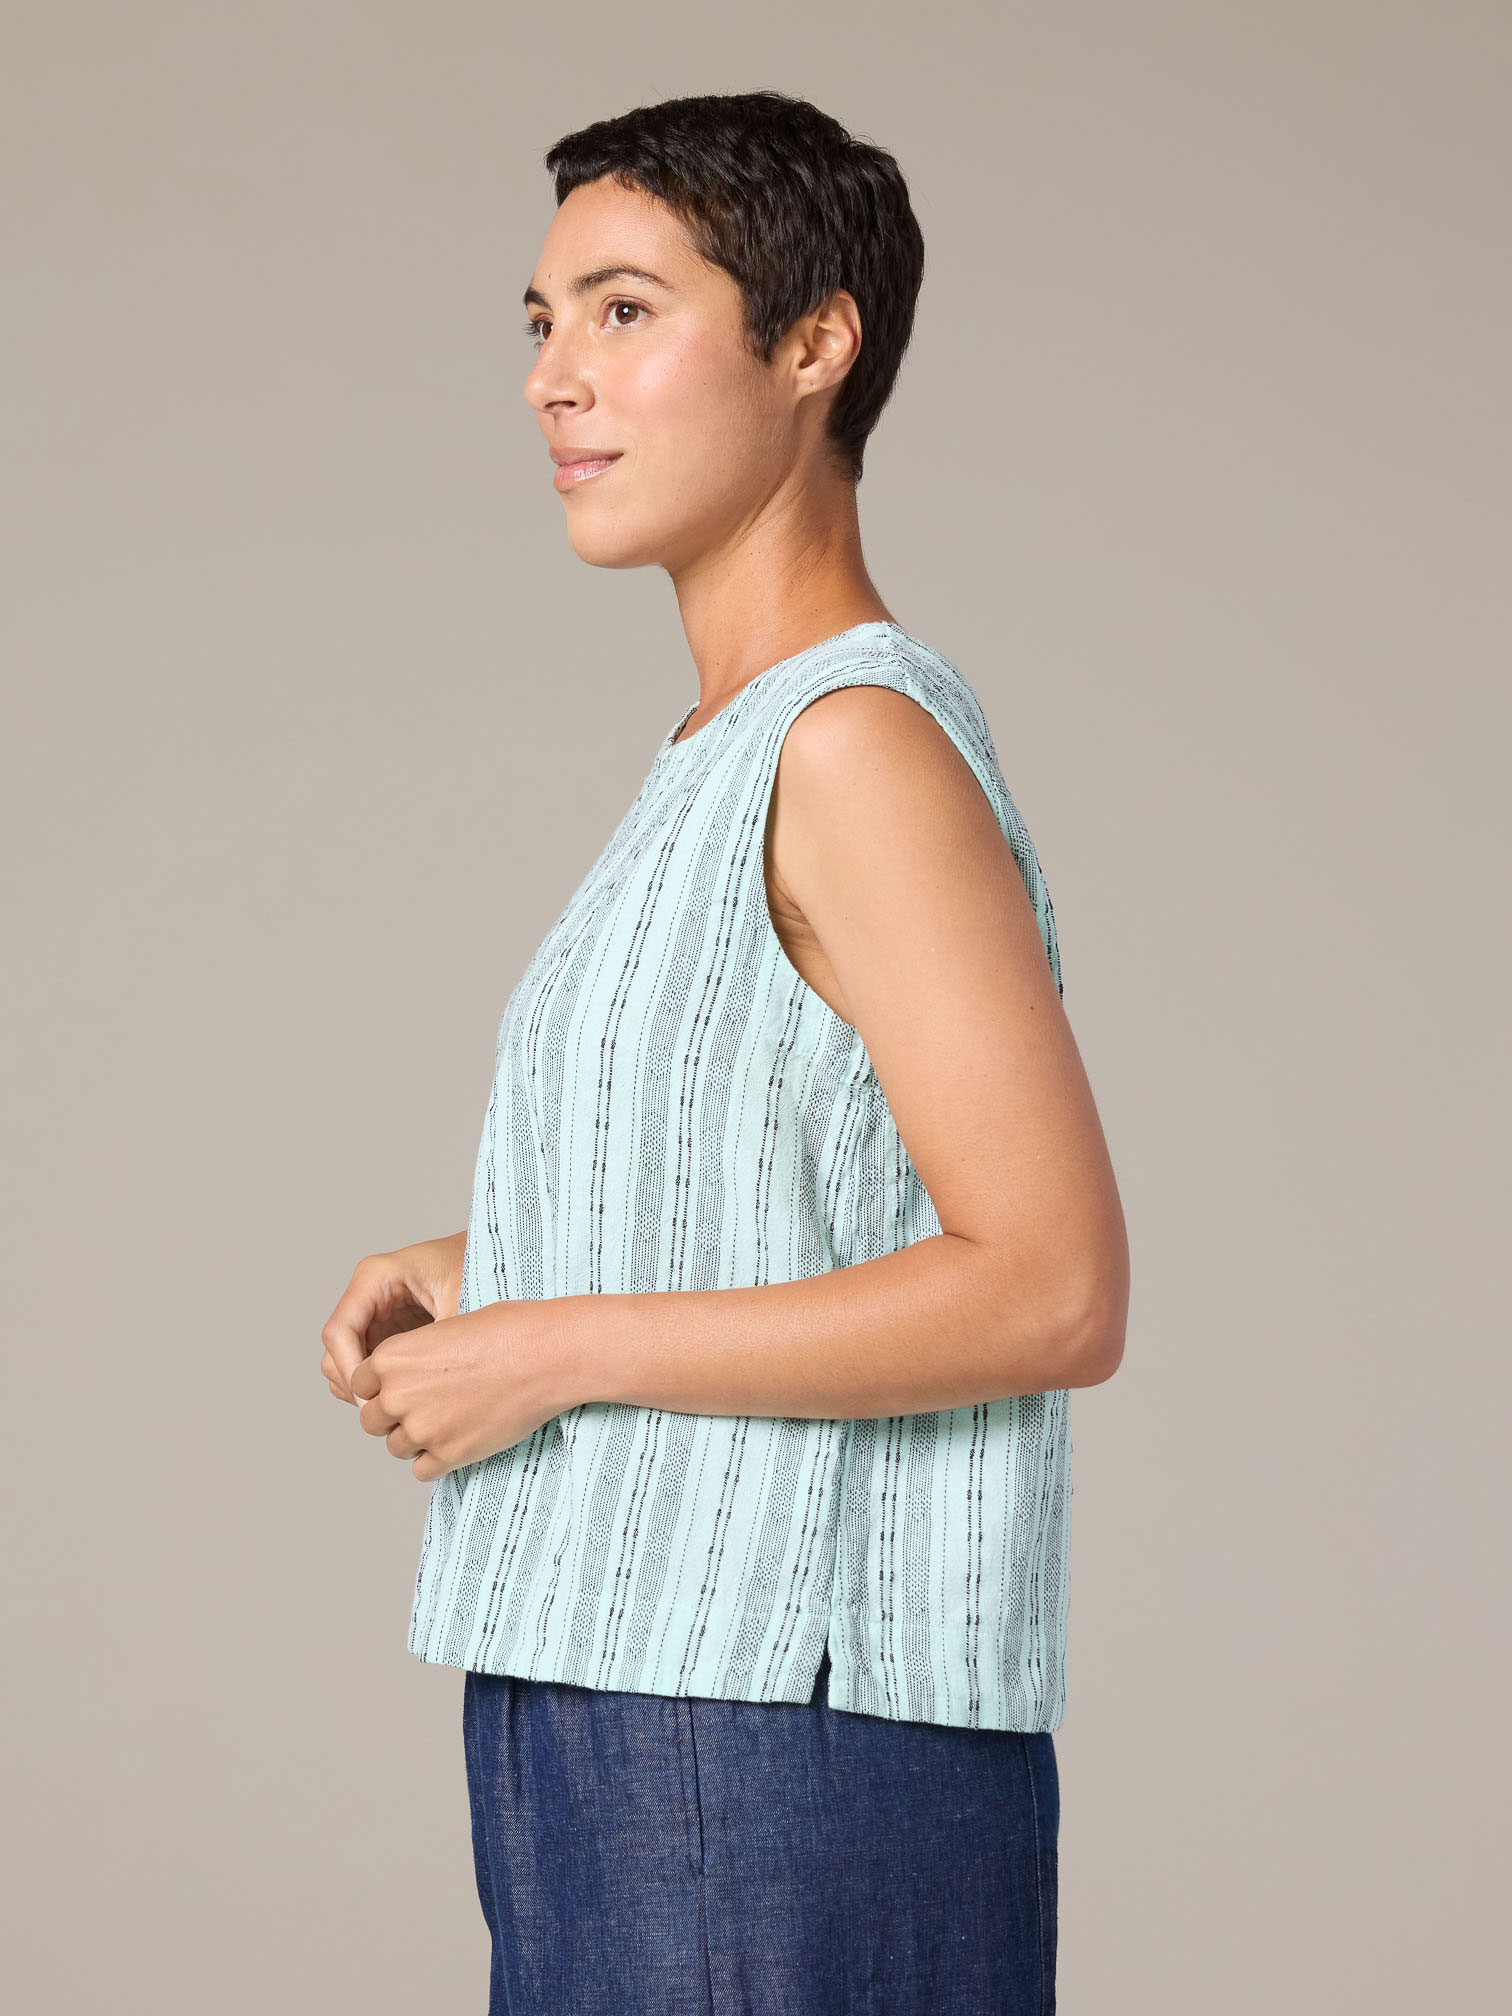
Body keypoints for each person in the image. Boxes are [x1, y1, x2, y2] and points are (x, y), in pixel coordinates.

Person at [320, 89, 1128, 2016]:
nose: (553, 378)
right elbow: (809, 1187)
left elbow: (1051, 1285)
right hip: (630, 1702)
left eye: (624, 311)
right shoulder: (725, 753)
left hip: (771, 1730)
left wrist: (554, 1349)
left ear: (814, 343)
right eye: (541, 323)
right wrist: (500, 1269)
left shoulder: (853, 747)